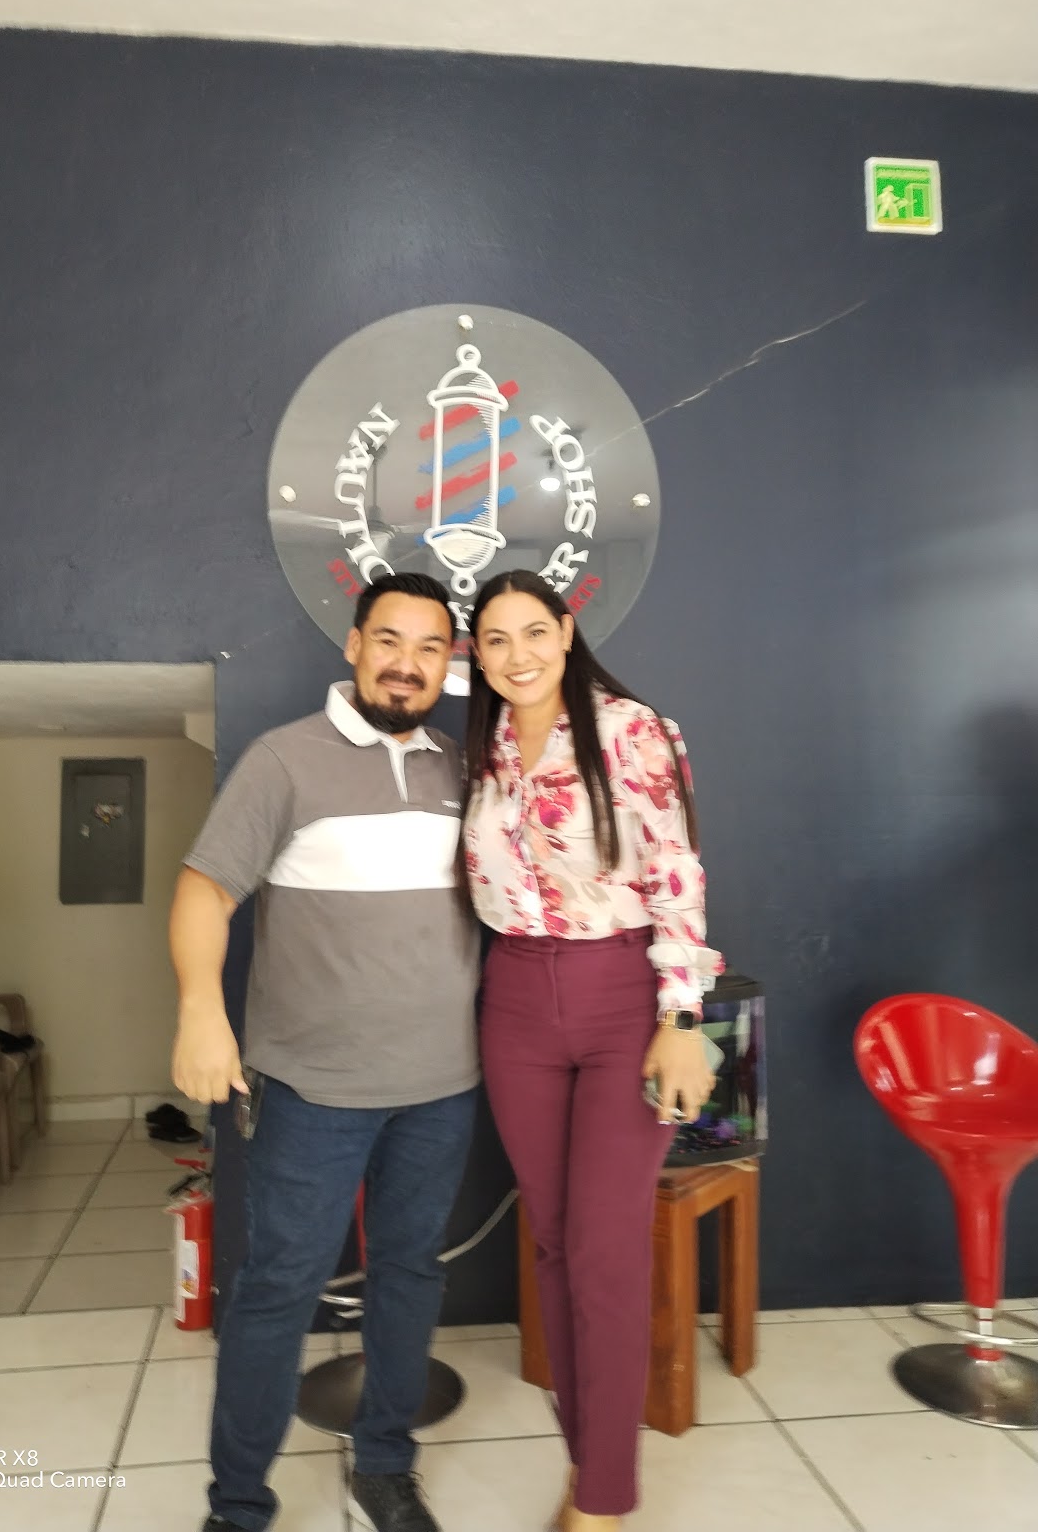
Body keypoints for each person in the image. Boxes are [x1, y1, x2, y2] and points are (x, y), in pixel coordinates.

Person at [169, 572, 480, 1532]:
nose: (406, 664)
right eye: (389, 640)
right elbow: (203, 893)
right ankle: (238, 1506)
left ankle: (384, 1466)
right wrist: (200, 1011)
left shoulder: (464, 769)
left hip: (442, 1087)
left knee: (410, 1274)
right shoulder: (284, 759)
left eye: (429, 648)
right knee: (276, 1292)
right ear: (353, 646)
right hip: (312, 1091)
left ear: (449, 664)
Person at [461, 569, 723, 1532]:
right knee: (554, 1241)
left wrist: (682, 1021)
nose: (518, 654)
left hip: (623, 997)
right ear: (476, 656)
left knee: (606, 1253)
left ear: (567, 633)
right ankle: (588, 1460)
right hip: (515, 999)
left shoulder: (630, 729)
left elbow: (676, 871)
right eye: (496, 639)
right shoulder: (483, 749)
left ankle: (603, 1502)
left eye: (535, 631)